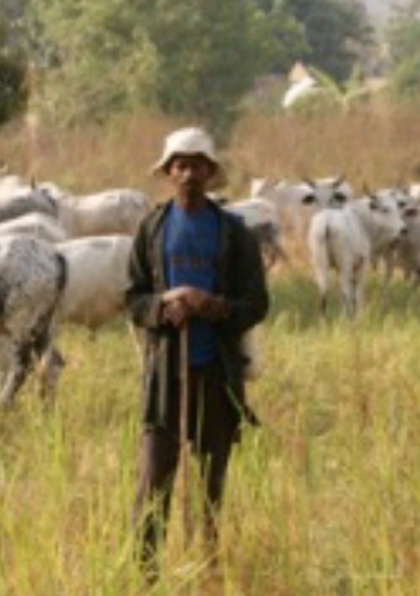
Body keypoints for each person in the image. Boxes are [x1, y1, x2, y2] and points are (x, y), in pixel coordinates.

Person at [125, 126, 270, 581]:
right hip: (166, 374)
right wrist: (161, 307)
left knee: (211, 486)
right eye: (180, 165)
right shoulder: (152, 229)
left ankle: (208, 574)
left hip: (216, 372)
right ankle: (143, 579)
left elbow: (257, 303)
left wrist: (213, 306)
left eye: (197, 165)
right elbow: (132, 298)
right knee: (153, 483)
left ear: (211, 173)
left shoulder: (234, 234)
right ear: (168, 172)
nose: (188, 173)